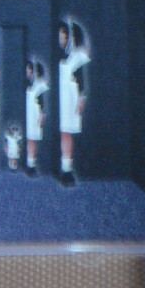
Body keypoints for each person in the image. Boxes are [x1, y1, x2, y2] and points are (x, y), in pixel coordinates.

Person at [57, 20, 90, 187]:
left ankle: (66, 171)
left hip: (68, 97)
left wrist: (81, 98)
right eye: (59, 36)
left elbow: (81, 80)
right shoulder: (50, 57)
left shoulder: (75, 57)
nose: (61, 39)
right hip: (53, 100)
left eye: (64, 36)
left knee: (66, 132)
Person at [24, 59, 48, 177]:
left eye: (30, 70)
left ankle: (31, 166)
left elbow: (42, 101)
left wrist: (42, 114)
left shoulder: (39, 85)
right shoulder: (21, 85)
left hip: (34, 114)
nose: (28, 72)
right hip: (23, 115)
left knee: (32, 139)